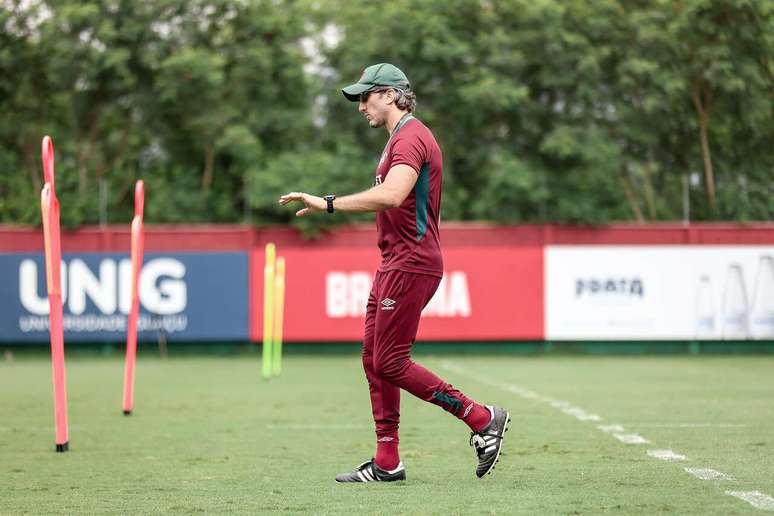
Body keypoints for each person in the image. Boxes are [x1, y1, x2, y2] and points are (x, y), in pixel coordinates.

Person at [279, 63, 509, 482]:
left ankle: (480, 417)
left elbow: (392, 194)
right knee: (374, 358)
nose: (360, 105)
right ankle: (387, 462)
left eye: (365, 96)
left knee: (389, 359)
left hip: (412, 262)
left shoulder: (411, 137)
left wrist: (327, 204)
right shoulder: (396, 141)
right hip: (395, 262)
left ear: (389, 94)